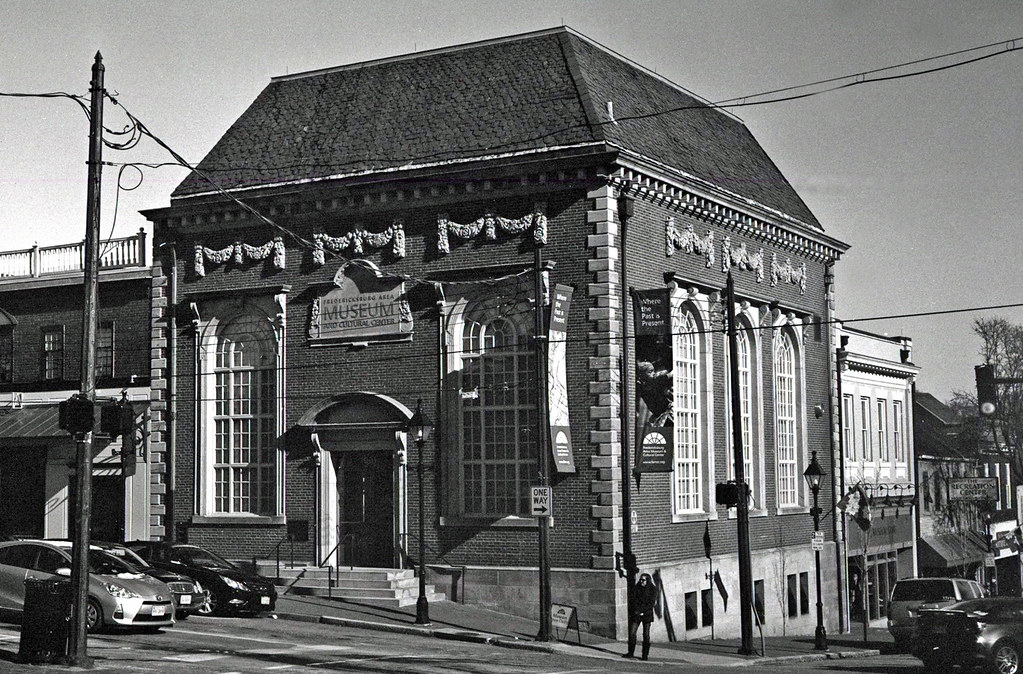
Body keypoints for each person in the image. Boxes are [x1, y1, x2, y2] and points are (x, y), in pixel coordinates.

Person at [625, 573, 658, 660]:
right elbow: (633, 600)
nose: (641, 581)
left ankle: (645, 655)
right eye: (640, 579)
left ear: (647, 581)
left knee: (646, 635)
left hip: (646, 615)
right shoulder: (637, 588)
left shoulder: (652, 589)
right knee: (632, 633)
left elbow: (651, 603)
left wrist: (643, 612)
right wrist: (636, 611)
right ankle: (630, 652)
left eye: (643, 580)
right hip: (637, 614)